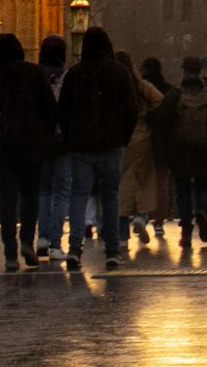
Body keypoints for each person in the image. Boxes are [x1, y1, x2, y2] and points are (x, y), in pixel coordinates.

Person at [0, 32, 60, 269]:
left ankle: (9, 254)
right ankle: (27, 239)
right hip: (31, 144)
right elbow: (50, 108)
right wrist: (45, 135)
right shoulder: (34, 73)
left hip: (0, 146)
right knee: (29, 195)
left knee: (7, 198)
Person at [56, 26, 142, 269]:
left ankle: (74, 248)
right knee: (110, 197)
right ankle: (112, 250)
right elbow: (131, 109)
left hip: (81, 145)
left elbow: (63, 110)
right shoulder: (120, 72)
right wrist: (123, 136)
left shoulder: (75, 73)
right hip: (112, 143)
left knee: (79, 195)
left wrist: (70, 137)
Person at [153, 56, 207, 248]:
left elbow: (161, 121)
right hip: (205, 149)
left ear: (183, 71)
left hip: (180, 150)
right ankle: (202, 210)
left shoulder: (175, 95)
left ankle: (186, 230)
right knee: (205, 186)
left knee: (183, 189)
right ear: (200, 71)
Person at [122, 56, 172, 247]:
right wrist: (149, 115)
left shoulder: (114, 84)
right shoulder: (140, 85)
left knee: (123, 180)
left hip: (121, 137)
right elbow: (161, 100)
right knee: (144, 179)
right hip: (142, 135)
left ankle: (121, 232)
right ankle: (141, 216)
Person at [35, 34, 74, 263]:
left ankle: (42, 237)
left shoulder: (34, 76)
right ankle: (55, 244)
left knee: (43, 190)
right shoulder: (68, 76)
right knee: (60, 192)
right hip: (62, 140)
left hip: (40, 140)